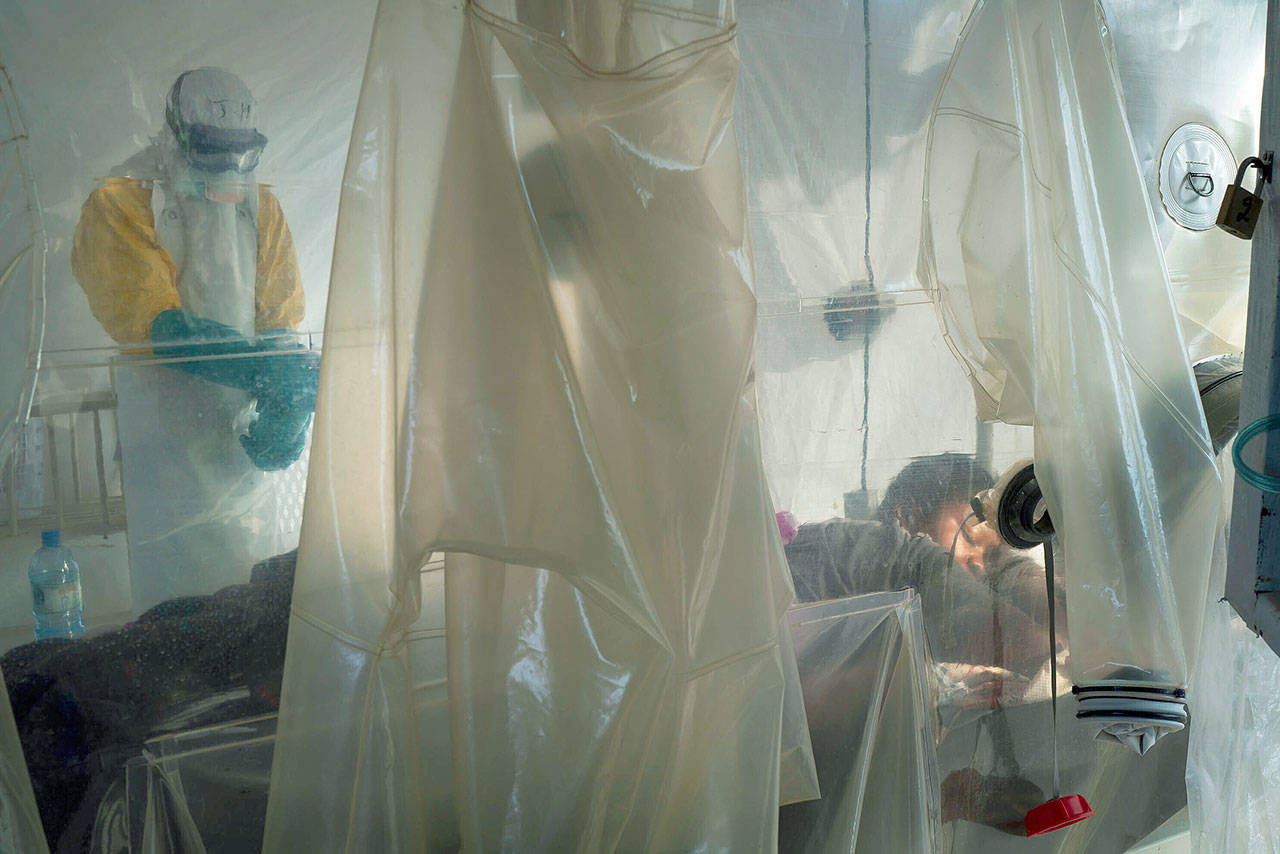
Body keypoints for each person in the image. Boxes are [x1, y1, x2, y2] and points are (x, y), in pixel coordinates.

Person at [70, 68, 317, 609]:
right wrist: (261, 368)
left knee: (255, 593)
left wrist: (291, 391)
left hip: (244, 435)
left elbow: (279, 317)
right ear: (174, 133)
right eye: (210, 149)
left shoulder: (262, 205)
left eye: (240, 152)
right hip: (164, 442)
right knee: (178, 606)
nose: (228, 167)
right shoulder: (119, 200)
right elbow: (150, 321)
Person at [784, 453, 1059, 682]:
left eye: (990, 557)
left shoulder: (924, 628)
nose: (979, 563)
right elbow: (1026, 640)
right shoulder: (840, 552)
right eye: (968, 537)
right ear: (908, 516)